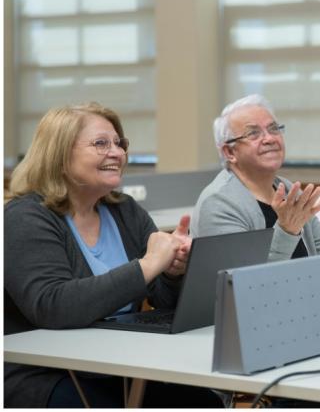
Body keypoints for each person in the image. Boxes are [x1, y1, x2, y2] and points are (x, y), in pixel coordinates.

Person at [4, 103, 222, 408]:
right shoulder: (25, 216)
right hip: (45, 373)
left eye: (119, 143)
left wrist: (172, 272)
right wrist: (147, 265)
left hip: (117, 364)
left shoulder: (124, 210)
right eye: (101, 144)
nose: (117, 153)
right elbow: (52, 306)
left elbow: (165, 302)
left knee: (204, 403)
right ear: (59, 155)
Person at [192, 94, 320, 261]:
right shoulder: (219, 203)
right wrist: (287, 230)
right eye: (253, 133)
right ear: (230, 152)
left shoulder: (288, 190)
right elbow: (245, 279)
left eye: (274, 129)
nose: (269, 138)